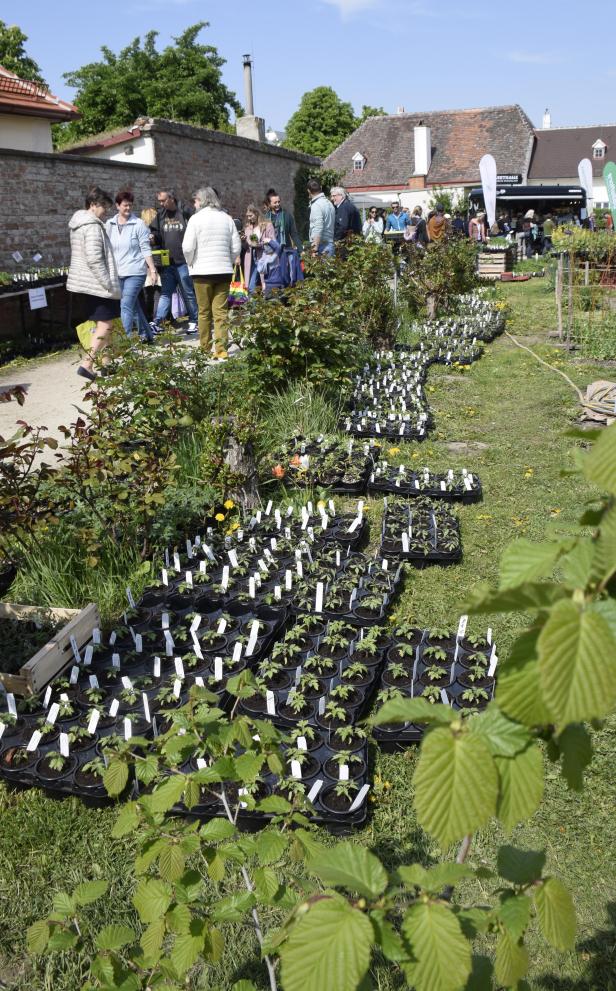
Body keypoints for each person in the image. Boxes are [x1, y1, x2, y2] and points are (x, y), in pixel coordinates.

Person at [66, 186, 121, 382]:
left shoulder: (79, 224)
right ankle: (87, 364)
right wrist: (108, 283)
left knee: (103, 323)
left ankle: (106, 364)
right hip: (97, 284)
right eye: (104, 206)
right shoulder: (92, 226)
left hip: (86, 283)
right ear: (93, 205)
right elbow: (95, 259)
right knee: (106, 324)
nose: (106, 210)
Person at [182, 187, 241, 359]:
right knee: (221, 313)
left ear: (202, 200)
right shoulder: (227, 218)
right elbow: (236, 246)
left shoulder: (195, 219)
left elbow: (187, 247)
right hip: (222, 271)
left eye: (196, 200)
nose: (194, 204)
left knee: (204, 312)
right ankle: (221, 351)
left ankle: (205, 349)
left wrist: (191, 262)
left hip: (201, 272)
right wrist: (227, 260)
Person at [106, 190, 157, 343]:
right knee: (133, 306)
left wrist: (152, 270)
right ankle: (148, 336)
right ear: (117, 206)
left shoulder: (138, 224)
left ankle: (126, 342)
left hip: (135, 272)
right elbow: (106, 247)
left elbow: (145, 248)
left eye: (130, 205)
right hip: (117, 272)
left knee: (125, 305)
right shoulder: (109, 224)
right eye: (124, 205)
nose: (128, 208)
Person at [149, 188, 198, 335]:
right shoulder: (160, 215)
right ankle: (157, 321)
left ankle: (194, 321)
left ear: (171, 198)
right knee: (166, 293)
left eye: (163, 200)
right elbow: (156, 233)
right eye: (159, 201)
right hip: (167, 263)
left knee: (188, 292)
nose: (161, 203)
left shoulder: (185, 211)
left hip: (183, 261)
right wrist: (152, 238)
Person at [242, 205, 276, 293]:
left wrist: (260, 245)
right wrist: (243, 242)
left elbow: (273, 243)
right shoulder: (248, 228)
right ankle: (252, 306)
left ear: (256, 213)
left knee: (266, 286)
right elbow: (246, 247)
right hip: (252, 260)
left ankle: (266, 305)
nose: (249, 218)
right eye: (248, 216)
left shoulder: (267, 225)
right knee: (251, 287)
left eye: (251, 216)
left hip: (264, 258)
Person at [140, 206, 161, 320]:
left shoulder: (140, 230)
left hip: (144, 264)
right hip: (157, 263)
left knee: (147, 293)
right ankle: (157, 319)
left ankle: (148, 318)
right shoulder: (155, 231)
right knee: (158, 292)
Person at [307, 179, 335, 256]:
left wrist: (314, 250)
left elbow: (318, 228)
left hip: (321, 246)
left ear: (309, 191)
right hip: (330, 244)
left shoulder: (316, 205)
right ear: (321, 188)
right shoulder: (329, 203)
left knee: (320, 268)